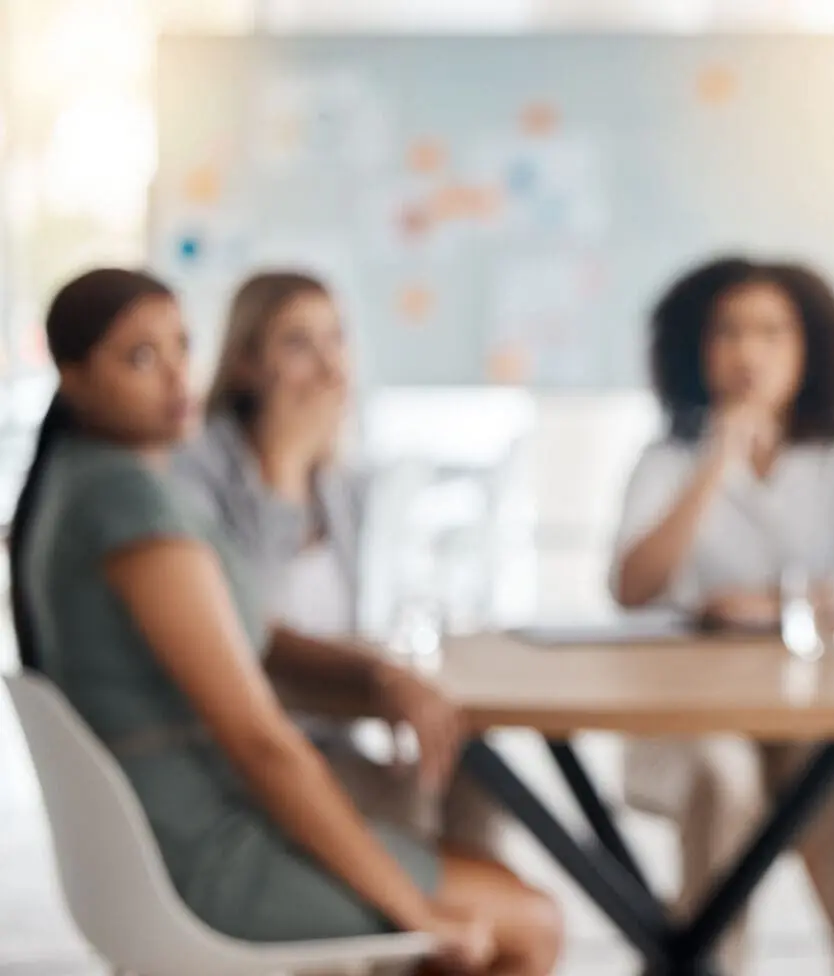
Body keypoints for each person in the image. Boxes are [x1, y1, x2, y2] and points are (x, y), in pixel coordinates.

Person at [11, 268, 562, 975]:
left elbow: (253, 638)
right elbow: (261, 742)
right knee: (530, 922)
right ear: (73, 378)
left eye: (182, 347)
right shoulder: (131, 512)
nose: (177, 377)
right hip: (203, 847)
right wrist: (412, 909)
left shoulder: (97, 481)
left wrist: (374, 672)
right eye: (140, 358)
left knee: (470, 856)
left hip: (177, 827)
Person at [608, 257, 834, 976]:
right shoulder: (667, 459)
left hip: (816, 717)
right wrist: (717, 458)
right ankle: (709, 964)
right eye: (729, 333)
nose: (750, 353)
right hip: (694, 721)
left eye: (773, 333)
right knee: (721, 778)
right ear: (696, 348)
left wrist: (763, 606)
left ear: (809, 350)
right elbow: (631, 585)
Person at [172, 270, 501, 860]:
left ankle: (459, 943)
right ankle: (431, 929)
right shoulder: (197, 469)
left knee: (479, 773)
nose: (329, 367)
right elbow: (244, 629)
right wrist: (279, 471)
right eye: (298, 344)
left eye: (336, 340)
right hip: (245, 748)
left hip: (331, 727)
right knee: (400, 805)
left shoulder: (339, 482)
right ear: (246, 362)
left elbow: (358, 619)